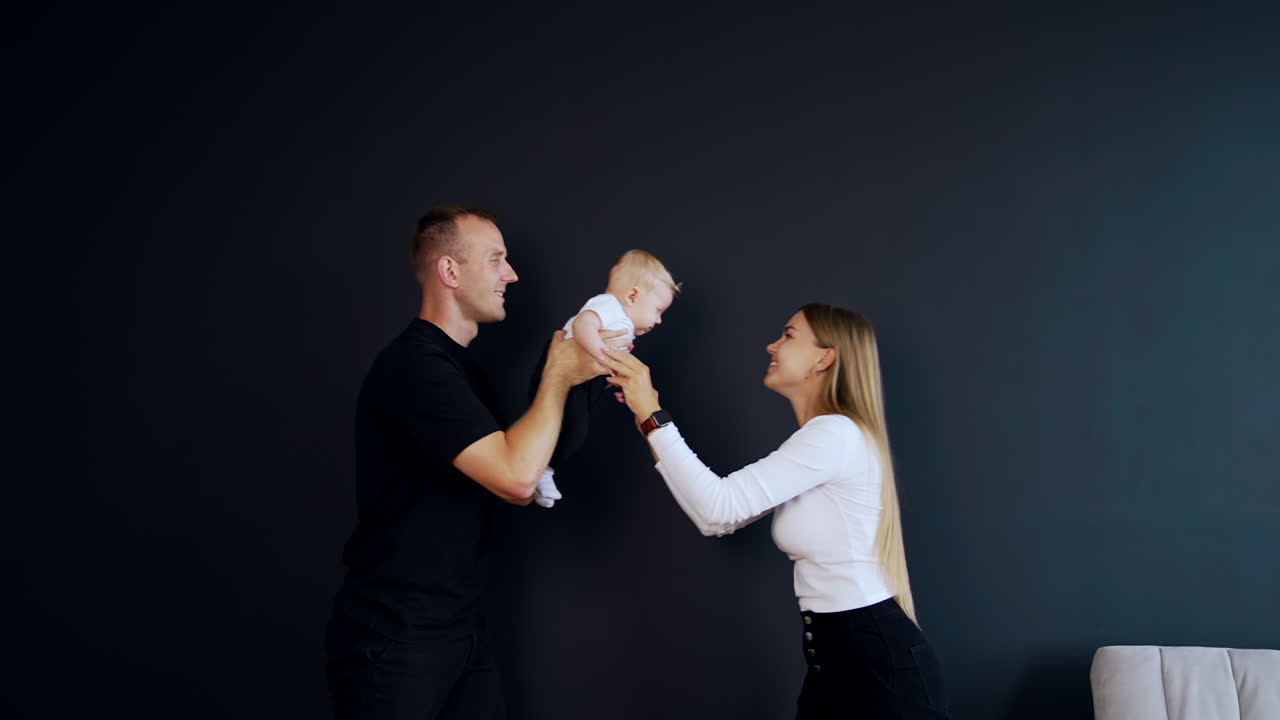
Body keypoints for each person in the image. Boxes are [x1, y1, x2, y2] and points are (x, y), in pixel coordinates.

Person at [324, 206, 617, 719]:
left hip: (461, 632)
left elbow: (535, 461)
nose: (512, 274)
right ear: (450, 271)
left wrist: (577, 375)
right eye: (496, 259)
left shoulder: (461, 371)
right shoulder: (415, 367)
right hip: (396, 637)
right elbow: (516, 476)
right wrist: (556, 373)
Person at [602, 303, 949, 719]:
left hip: (874, 667)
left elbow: (716, 508)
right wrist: (648, 416)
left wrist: (650, 412)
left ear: (825, 357)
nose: (771, 345)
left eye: (788, 335)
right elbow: (723, 517)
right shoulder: (827, 437)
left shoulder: (834, 434)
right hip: (840, 660)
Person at [526, 249, 680, 508]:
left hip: (584, 381)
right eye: (657, 310)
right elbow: (583, 325)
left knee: (574, 430)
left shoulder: (623, 324)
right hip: (558, 369)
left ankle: (543, 470)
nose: (659, 320)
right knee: (571, 428)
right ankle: (541, 470)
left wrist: (620, 380)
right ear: (633, 295)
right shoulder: (608, 305)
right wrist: (600, 351)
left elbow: (602, 364)